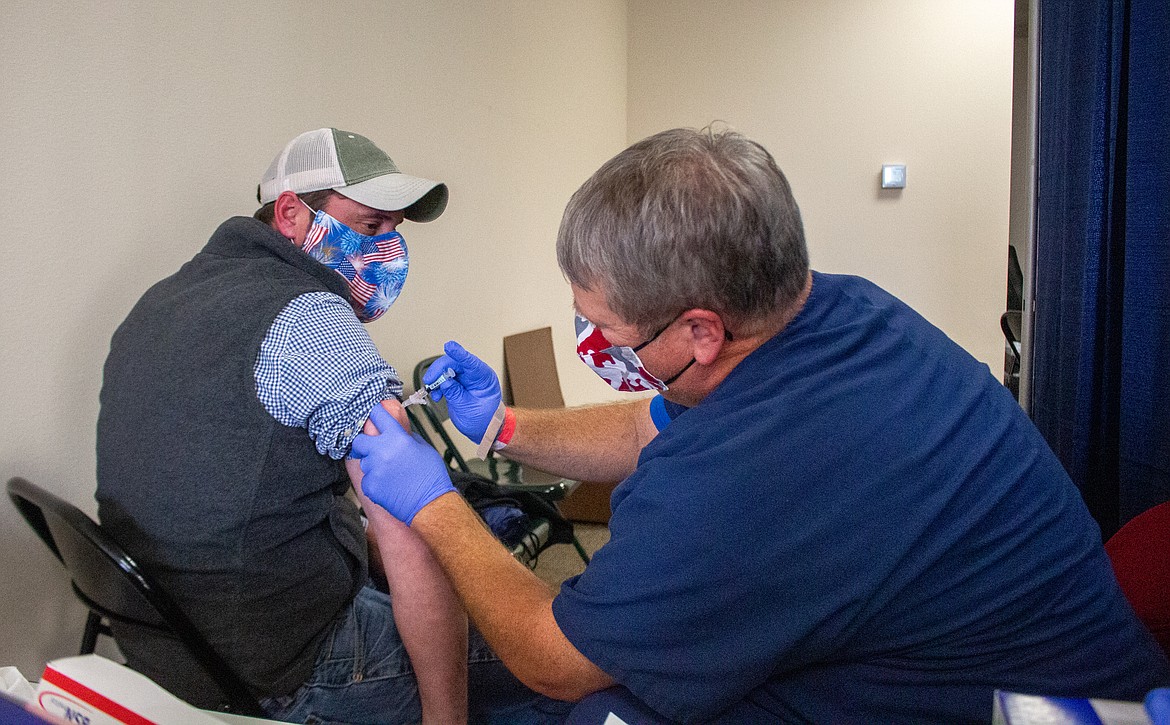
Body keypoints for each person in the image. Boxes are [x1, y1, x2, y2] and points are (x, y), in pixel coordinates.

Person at [350, 126, 1170, 722]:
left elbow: (556, 657)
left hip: (1034, 709)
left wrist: (433, 502)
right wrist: (503, 425)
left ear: (701, 331)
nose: (592, 339)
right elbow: (648, 428)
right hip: (951, 649)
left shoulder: (754, 478)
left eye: (608, 328)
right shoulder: (832, 309)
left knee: (598, 715)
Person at [96, 128, 556, 723]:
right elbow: (415, 535)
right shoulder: (312, 318)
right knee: (558, 656)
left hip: (168, 645)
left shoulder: (158, 302)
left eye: (396, 231)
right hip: (281, 664)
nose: (389, 249)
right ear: (291, 214)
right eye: (370, 227)